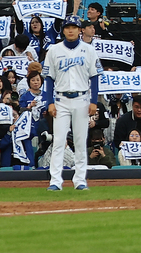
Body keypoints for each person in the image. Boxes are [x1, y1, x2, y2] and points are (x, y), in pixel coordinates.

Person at [41, 20, 103, 191]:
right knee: (59, 141)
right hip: (61, 99)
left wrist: (94, 101)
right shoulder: (54, 50)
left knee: (80, 141)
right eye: (67, 28)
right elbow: (48, 78)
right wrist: (49, 102)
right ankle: (55, 181)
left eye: (74, 28)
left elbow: (95, 75)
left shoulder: (88, 50)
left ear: (79, 30)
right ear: (63, 30)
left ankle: (80, 180)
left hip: (82, 98)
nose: (70, 31)